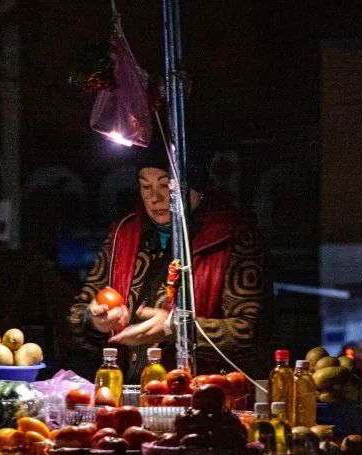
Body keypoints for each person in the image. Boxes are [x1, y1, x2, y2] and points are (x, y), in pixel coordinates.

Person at [67, 137, 268, 381]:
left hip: (205, 394)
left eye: (165, 186)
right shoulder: (124, 232)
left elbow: (248, 330)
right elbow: (79, 313)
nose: (154, 198)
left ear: (196, 187)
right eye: (145, 186)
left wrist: (176, 327)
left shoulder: (233, 235)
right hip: (128, 392)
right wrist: (95, 322)